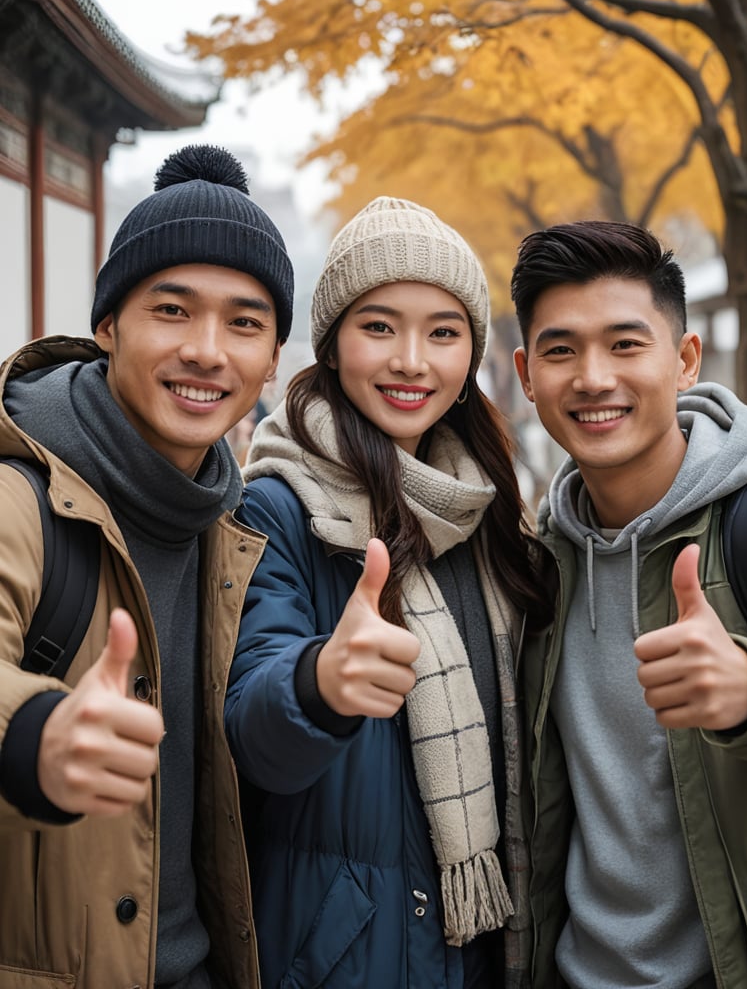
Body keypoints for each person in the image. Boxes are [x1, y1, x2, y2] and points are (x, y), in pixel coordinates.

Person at [225, 196, 553, 989]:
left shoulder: (487, 507)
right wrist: (320, 686)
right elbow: (249, 724)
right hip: (348, 953)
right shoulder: (277, 504)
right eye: (378, 327)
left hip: (485, 946)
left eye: (443, 332)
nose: (412, 360)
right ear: (332, 345)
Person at [0, 144, 294, 989]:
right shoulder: (22, 497)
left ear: (273, 357)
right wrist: (33, 735)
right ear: (107, 326)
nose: (208, 351)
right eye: (172, 310)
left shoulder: (234, 527)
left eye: (245, 322)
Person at [510, 220, 747, 989]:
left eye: (626, 344)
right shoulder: (535, 565)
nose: (593, 378)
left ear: (684, 360)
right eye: (561, 350)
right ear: (526, 374)